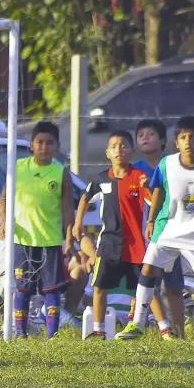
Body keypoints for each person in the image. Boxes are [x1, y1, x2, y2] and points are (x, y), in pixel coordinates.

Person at [118, 116, 194, 340]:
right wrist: (151, 220)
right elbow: (157, 191)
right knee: (148, 270)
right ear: (176, 142)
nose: (189, 141)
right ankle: (137, 324)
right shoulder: (167, 164)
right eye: (183, 137)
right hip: (167, 229)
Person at [0, 121, 74, 339]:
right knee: (23, 289)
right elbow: (3, 199)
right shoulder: (19, 168)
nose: (44, 147)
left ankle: (53, 335)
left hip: (50, 242)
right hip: (23, 241)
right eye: (39, 142)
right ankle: (20, 334)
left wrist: (68, 238)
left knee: (51, 291)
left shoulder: (61, 173)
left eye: (49, 143)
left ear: (57, 146)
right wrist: (4, 222)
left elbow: (68, 209)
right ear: (31, 145)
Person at [74, 131, 150, 338]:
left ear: (132, 150)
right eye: (114, 146)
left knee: (141, 287)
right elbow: (84, 198)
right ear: (107, 152)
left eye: (124, 146)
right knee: (99, 285)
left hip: (136, 244)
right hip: (109, 243)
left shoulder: (140, 177)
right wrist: (78, 222)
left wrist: (151, 222)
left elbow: (153, 201)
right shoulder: (100, 179)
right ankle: (98, 329)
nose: (119, 150)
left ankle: (143, 324)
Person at [134, 119, 186, 336]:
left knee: (173, 286)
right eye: (141, 135)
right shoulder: (134, 170)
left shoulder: (173, 166)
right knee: (146, 283)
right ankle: (158, 328)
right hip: (144, 235)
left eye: (151, 134)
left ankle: (180, 331)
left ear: (164, 140)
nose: (145, 137)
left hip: (169, 232)